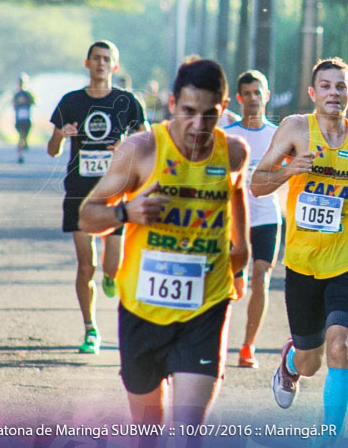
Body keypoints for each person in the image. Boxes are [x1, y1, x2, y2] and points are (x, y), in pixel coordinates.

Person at [78, 57, 249, 431]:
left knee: (188, 428)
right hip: (143, 308)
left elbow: (235, 191)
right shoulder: (140, 150)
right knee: (149, 428)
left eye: (209, 114)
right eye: (188, 111)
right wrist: (126, 213)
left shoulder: (233, 152)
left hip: (205, 307)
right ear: (172, 104)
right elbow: (87, 216)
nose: (198, 125)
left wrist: (241, 252)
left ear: (223, 109)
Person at [251, 57, 348, 438]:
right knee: (312, 362)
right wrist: (288, 170)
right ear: (313, 93)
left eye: (341, 86)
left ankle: (331, 434)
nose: (334, 93)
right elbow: (257, 183)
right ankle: (292, 362)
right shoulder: (296, 128)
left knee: (340, 346)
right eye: (326, 86)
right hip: (303, 264)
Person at [47, 41, 147, 354]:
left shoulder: (127, 101)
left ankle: (110, 276)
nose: (101, 64)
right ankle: (90, 330)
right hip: (79, 193)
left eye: (107, 59)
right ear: (87, 63)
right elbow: (52, 150)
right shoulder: (71, 102)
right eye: (96, 59)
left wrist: (127, 150)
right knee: (85, 265)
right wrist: (59, 136)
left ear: (115, 66)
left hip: (115, 196)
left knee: (112, 267)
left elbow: (148, 145)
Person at [223, 70, 283, 368]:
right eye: (247, 93)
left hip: (266, 216)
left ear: (267, 95)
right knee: (231, 287)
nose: (253, 98)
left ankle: (248, 346)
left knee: (261, 277)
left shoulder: (277, 134)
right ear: (239, 98)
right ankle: (217, 342)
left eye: (258, 92)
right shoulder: (230, 135)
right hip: (234, 219)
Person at [13, 74, 35, 163]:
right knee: (21, 137)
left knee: (23, 137)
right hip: (21, 119)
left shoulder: (27, 94)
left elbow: (34, 102)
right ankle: (20, 155)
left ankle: (21, 150)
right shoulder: (17, 94)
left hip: (25, 118)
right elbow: (13, 104)